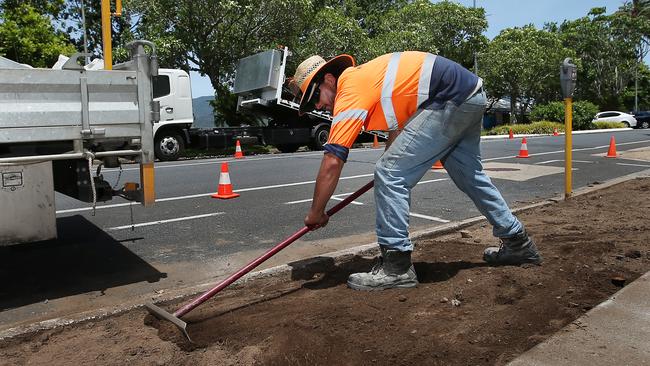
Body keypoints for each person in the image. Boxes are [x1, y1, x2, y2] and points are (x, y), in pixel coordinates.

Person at [289, 51, 542, 291]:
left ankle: (396, 266)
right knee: (470, 176)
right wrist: (390, 164)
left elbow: (333, 160)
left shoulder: (349, 88)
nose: (318, 106)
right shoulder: (369, 79)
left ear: (329, 79)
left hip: (449, 97)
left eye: (315, 97)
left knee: (390, 174)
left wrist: (316, 212)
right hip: (468, 94)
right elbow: (399, 130)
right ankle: (517, 241)